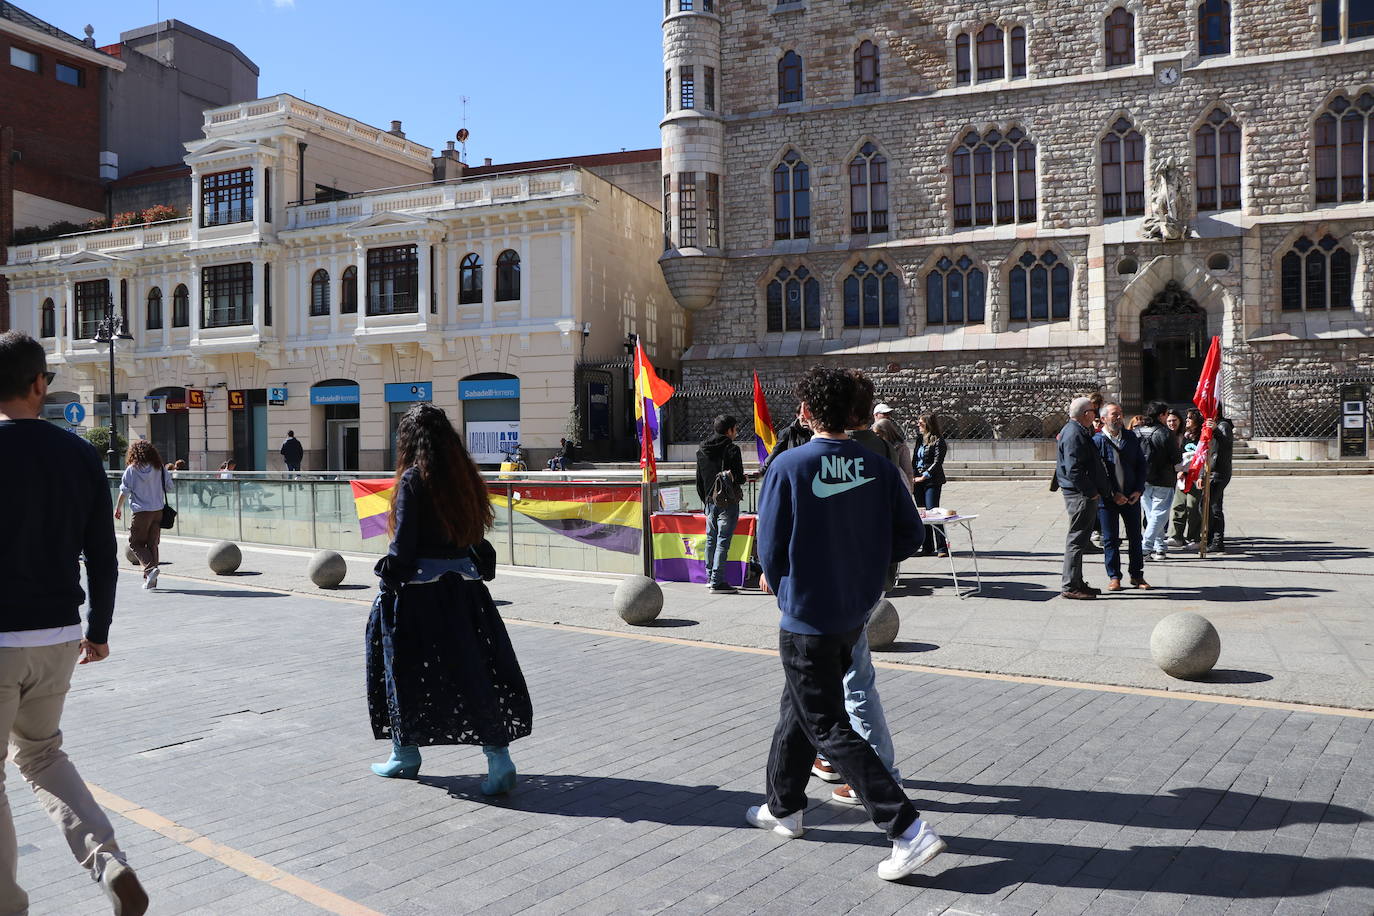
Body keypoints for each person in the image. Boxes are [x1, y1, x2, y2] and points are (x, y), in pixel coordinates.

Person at [751, 366, 944, 881]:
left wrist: (779, 577)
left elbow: (769, 546)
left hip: (807, 611)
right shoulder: (877, 465)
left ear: (808, 411)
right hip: (854, 609)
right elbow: (910, 535)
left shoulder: (788, 464)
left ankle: (906, 828)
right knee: (799, 706)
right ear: (857, 414)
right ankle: (784, 804)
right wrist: (866, 569)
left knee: (826, 722)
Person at [0, 331, 149, 915]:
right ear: (40, 384)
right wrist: (100, 630)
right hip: (59, 636)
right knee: (41, 755)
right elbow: (104, 555)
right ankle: (109, 863)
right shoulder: (80, 454)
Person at [365, 403, 532, 793]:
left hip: (419, 598)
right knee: (473, 671)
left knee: (401, 668)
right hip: (466, 593)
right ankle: (498, 757)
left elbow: (403, 549)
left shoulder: (412, 480)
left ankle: (404, 754)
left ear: (408, 441)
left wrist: (386, 576)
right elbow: (475, 539)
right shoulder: (465, 479)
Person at [1056, 397, 1113, 600]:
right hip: (1080, 495)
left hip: (1081, 493)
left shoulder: (1076, 430)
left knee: (1079, 540)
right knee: (1077, 540)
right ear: (1086, 414)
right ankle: (1071, 585)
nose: (1095, 415)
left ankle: (1077, 582)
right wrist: (1091, 492)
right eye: (1093, 411)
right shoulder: (1074, 433)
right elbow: (1074, 469)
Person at [1093, 403, 1149, 591]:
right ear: (1103, 419)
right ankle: (1114, 576)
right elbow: (1097, 474)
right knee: (1110, 539)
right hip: (1108, 500)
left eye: (1120, 414)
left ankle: (1137, 575)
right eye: (1114, 414)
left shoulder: (1131, 437)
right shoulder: (1097, 441)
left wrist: (1138, 490)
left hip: (1131, 497)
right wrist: (1112, 494)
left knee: (1135, 537)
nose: (1119, 418)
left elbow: (1141, 465)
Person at [113, 440, 173, 590]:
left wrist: (117, 508)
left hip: (141, 512)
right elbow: (170, 487)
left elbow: (124, 490)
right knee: (152, 543)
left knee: (135, 542)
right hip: (158, 511)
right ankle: (151, 580)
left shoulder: (132, 469)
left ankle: (150, 569)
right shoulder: (159, 467)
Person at [695, 416, 745, 593]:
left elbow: (699, 481)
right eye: (735, 429)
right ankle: (717, 582)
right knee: (723, 541)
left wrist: (707, 499)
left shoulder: (702, 449)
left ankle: (710, 577)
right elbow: (739, 478)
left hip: (709, 501)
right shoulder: (732, 449)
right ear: (729, 430)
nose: (736, 432)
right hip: (727, 502)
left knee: (711, 539)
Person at [1136, 401, 1180, 561]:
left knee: (1152, 514)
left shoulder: (1137, 431)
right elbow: (1176, 457)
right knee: (1159, 513)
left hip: (1142, 478)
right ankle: (1146, 547)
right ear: (1161, 415)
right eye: (1166, 414)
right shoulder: (1166, 433)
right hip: (1163, 478)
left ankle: (1160, 546)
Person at [912, 414, 949, 557]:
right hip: (918, 479)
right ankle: (927, 547)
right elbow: (915, 459)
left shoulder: (938, 441)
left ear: (928, 424)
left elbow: (937, 462)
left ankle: (942, 547)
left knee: (933, 512)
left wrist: (925, 475)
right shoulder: (919, 440)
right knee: (922, 514)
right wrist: (913, 475)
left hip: (932, 480)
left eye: (921, 423)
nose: (918, 425)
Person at [1170, 410, 1204, 549]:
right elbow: (1182, 454)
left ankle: (1194, 538)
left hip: (1197, 476)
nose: (1187, 420)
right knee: (1178, 505)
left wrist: (1202, 475)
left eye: (1190, 417)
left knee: (1193, 507)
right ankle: (1176, 536)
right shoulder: (1186, 435)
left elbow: (1204, 456)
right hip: (1184, 475)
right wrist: (1180, 470)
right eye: (1187, 417)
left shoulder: (1203, 436)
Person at [1204, 410, 1234, 553]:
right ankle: (1213, 539)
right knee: (1213, 506)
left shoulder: (1223, 426)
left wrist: (1216, 430)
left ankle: (1215, 540)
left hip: (1219, 472)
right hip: (1212, 471)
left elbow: (1227, 445)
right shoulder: (1212, 426)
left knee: (1209, 506)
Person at [762, 407, 813, 475]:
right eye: (803, 415)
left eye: (809, 416)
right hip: (794, 472)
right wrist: (763, 470)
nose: (806, 419)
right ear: (797, 415)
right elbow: (775, 453)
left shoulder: (817, 433)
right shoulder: (787, 432)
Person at [873, 417, 913, 493]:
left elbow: (908, 471)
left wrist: (909, 490)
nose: (876, 437)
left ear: (885, 432)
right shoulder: (878, 447)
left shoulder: (901, 448)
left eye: (877, 434)